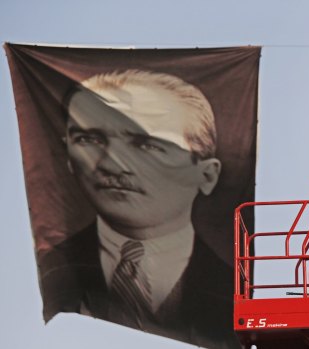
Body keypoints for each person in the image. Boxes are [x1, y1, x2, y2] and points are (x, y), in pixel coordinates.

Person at [40, 70, 240, 348]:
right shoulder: (51, 271)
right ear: (69, 159)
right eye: (90, 140)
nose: (113, 164)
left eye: (147, 145)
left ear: (206, 175)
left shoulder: (231, 287)